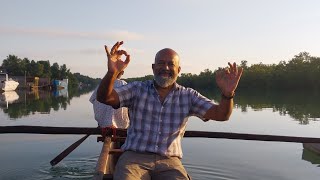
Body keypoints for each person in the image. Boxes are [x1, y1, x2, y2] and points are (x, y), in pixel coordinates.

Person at [97, 41, 243, 180]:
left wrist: (227, 94)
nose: (165, 68)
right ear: (153, 68)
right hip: (134, 157)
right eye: (161, 63)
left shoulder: (188, 95)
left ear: (178, 70)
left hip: (170, 161)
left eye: (170, 64)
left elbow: (221, 115)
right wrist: (112, 73)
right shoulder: (137, 89)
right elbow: (105, 98)